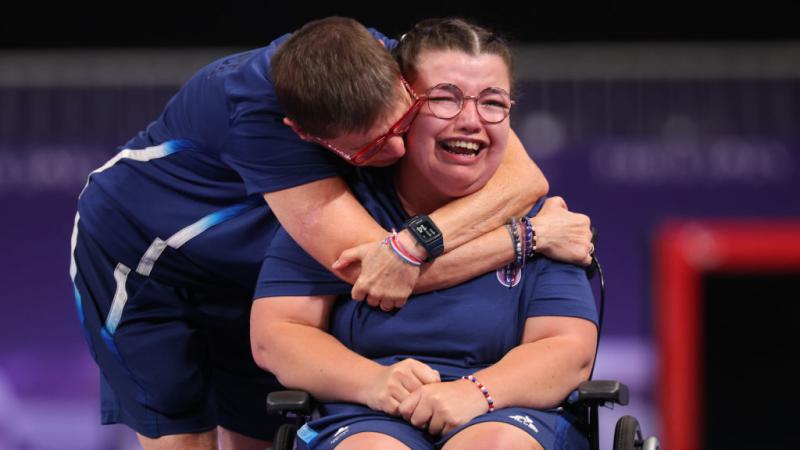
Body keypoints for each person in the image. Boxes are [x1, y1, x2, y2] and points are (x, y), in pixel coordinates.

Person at [69, 17, 592, 450]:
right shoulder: (260, 120)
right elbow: (379, 273)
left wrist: (413, 240)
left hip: (251, 262)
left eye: (402, 124)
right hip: (146, 265)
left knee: (259, 431)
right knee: (186, 438)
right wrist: (525, 239)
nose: (395, 152)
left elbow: (526, 179)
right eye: (368, 151)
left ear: (402, 83)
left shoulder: (403, 61)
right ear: (305, 135)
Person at [252, 18, 598, 450]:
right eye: (444, 99)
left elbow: (567, 349)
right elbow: (276, 335)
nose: (471, 120)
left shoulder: (550, 221)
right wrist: (374, 382)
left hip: (510, 412)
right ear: (401, 105)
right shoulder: (340, 213)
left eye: (493, 103)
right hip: (368, 414)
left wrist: (476, 392)